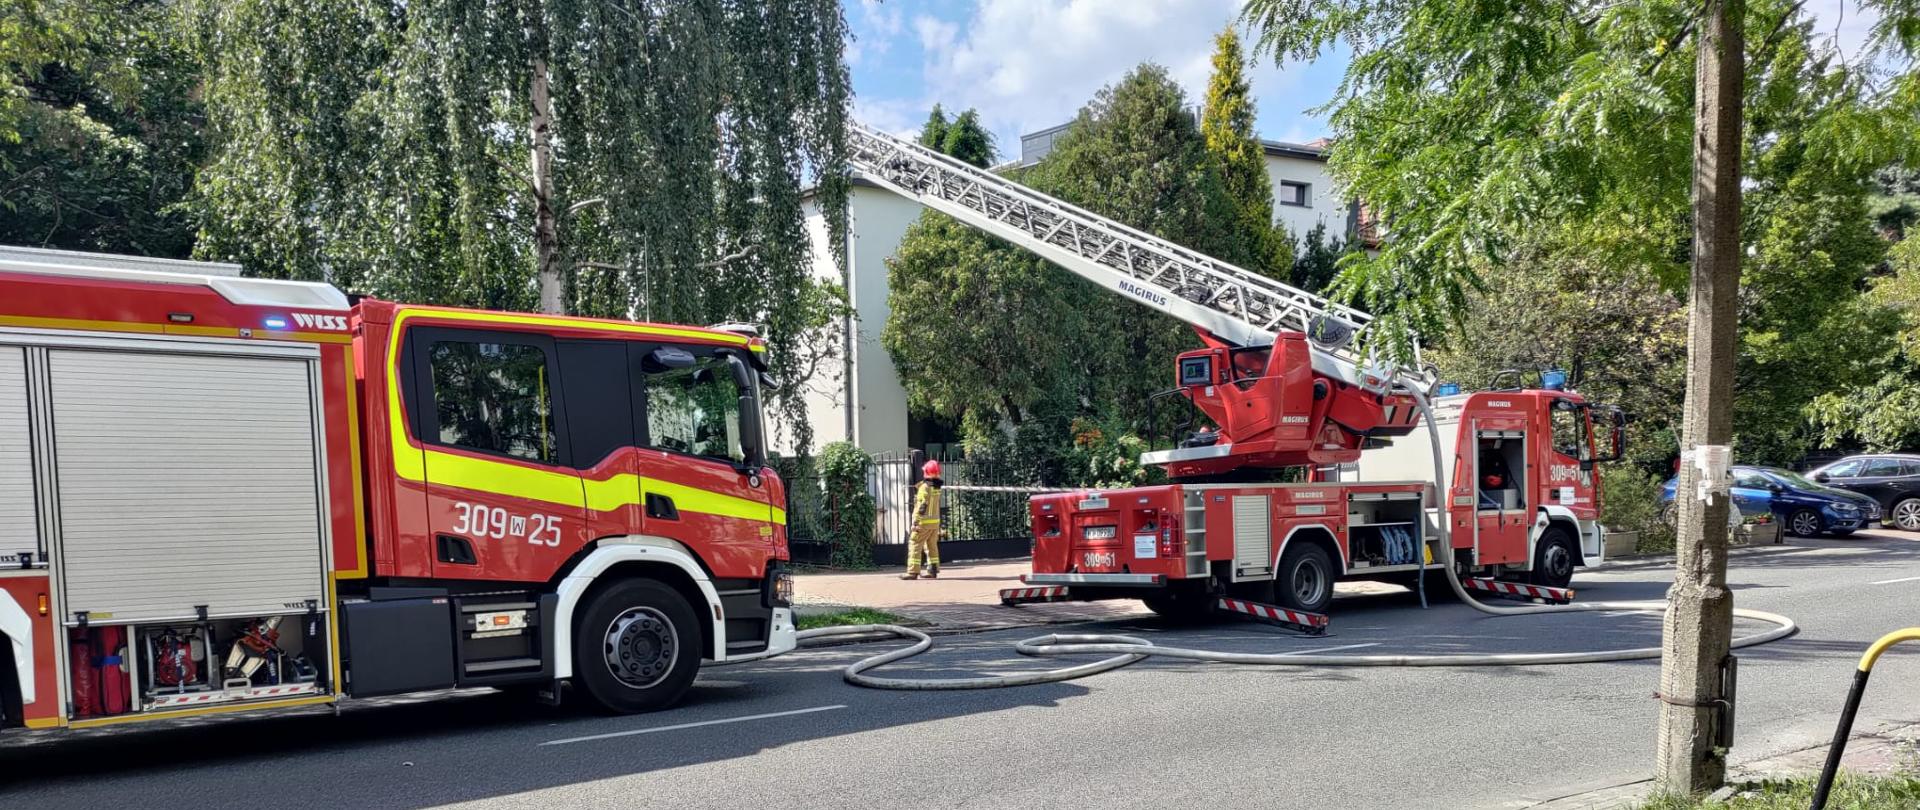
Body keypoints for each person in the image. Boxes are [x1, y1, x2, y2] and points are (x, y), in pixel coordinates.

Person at [901, 460, 944, 580]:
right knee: (931, 546)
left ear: (926, 472)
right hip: (934, 523)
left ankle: (912, 571)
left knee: (915, 544)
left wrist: (915, 522)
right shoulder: (937, 487)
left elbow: (922, 505)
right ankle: (933, 570)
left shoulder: (924, 487)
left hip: (923, 522)